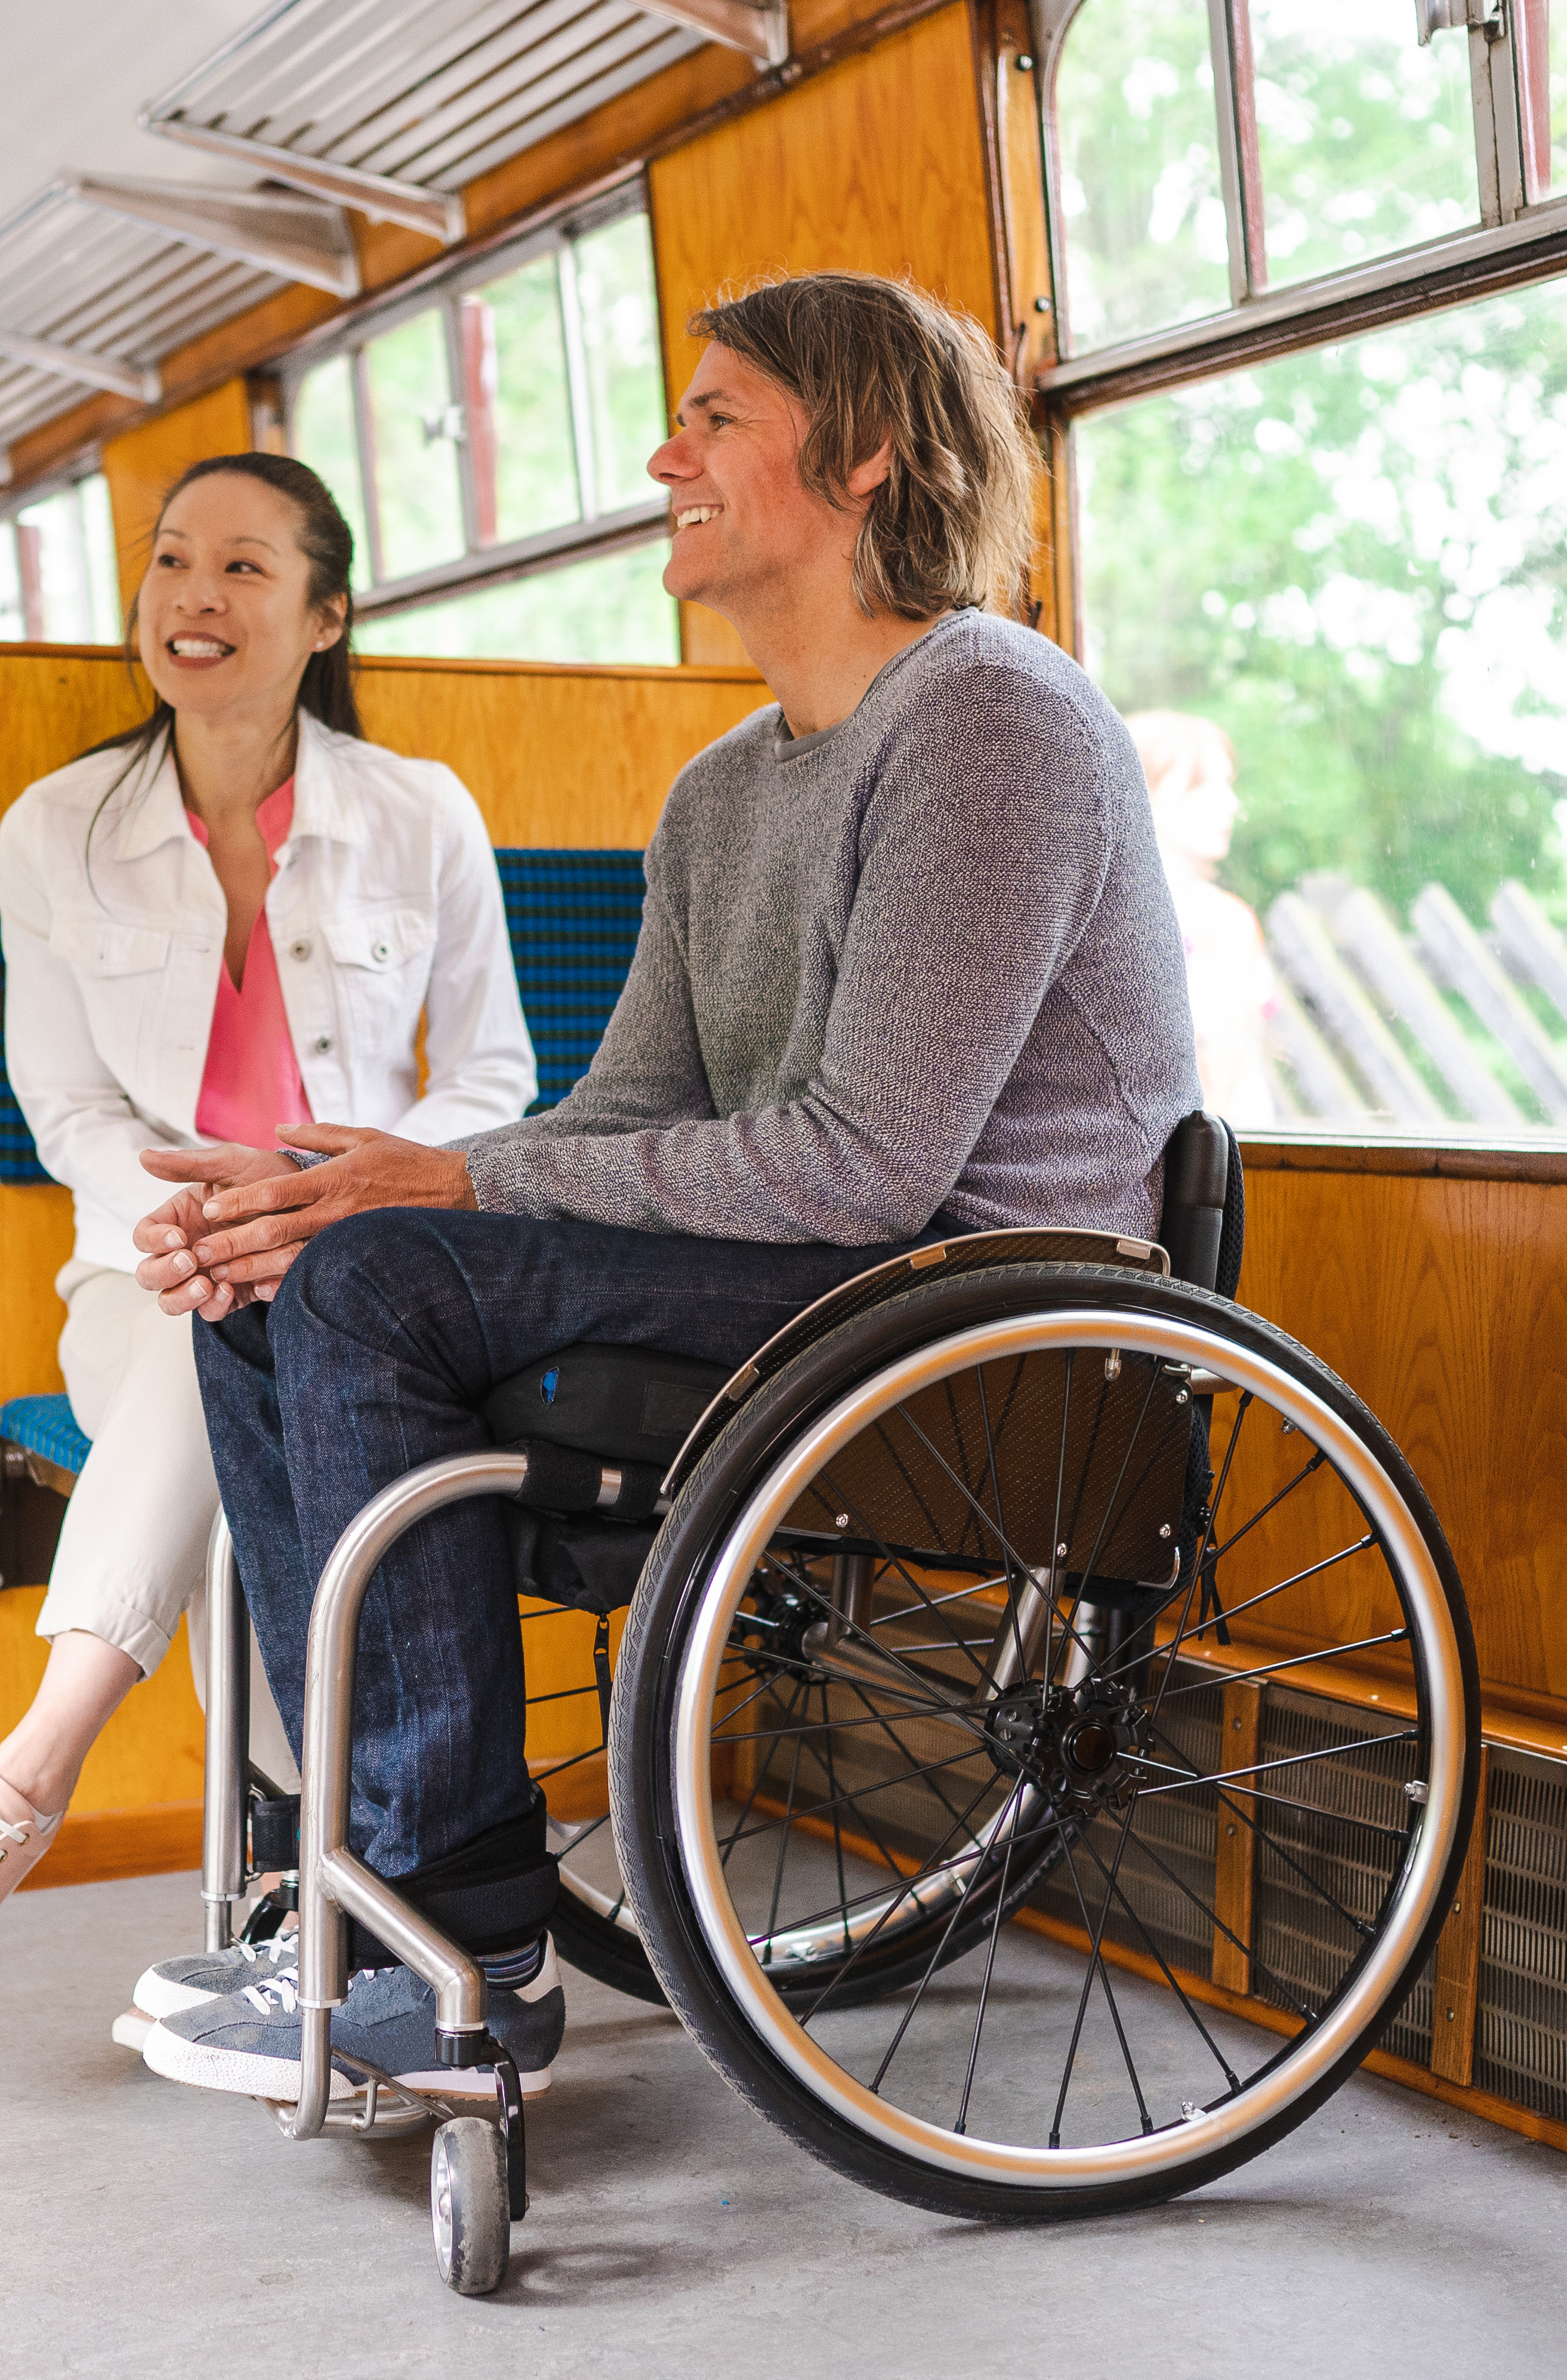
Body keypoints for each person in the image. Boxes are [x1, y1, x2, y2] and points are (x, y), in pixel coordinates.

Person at [121, 273, 1200, 2106]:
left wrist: (450, 1185)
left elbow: (873, 1165)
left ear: (864, 453)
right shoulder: (717, 795)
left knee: (376, 1281)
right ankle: (370, 1882)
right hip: (812, 1278)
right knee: (279, 1276)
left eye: (715, 418)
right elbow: (626, 1115)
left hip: (967, 1297)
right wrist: (340, 1187)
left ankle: (455, 1936)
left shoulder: (991, 720)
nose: (663, 454)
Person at [0, 454, 536, 1981]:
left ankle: (35, 1773)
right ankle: (312, 1872)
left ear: (326, 613)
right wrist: (212, 1227)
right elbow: (67, 1107)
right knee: (207, 1342)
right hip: (145, 1264)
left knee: (263, 1364)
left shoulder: (424, 812)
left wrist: (331, 1193)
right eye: (168, 563)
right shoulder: (53, 826)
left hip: (376, 1258)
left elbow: (496, 1076)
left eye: (244, 568)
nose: (192, 597)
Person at [1130, 708, 1284, 1121]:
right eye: (1202, 785)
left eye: (1228, 783)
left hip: (1221, 1157)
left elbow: (1220, 1088)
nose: (1230, 803)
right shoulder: (1111, 922)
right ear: (1139, 790)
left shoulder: (1228, 922)